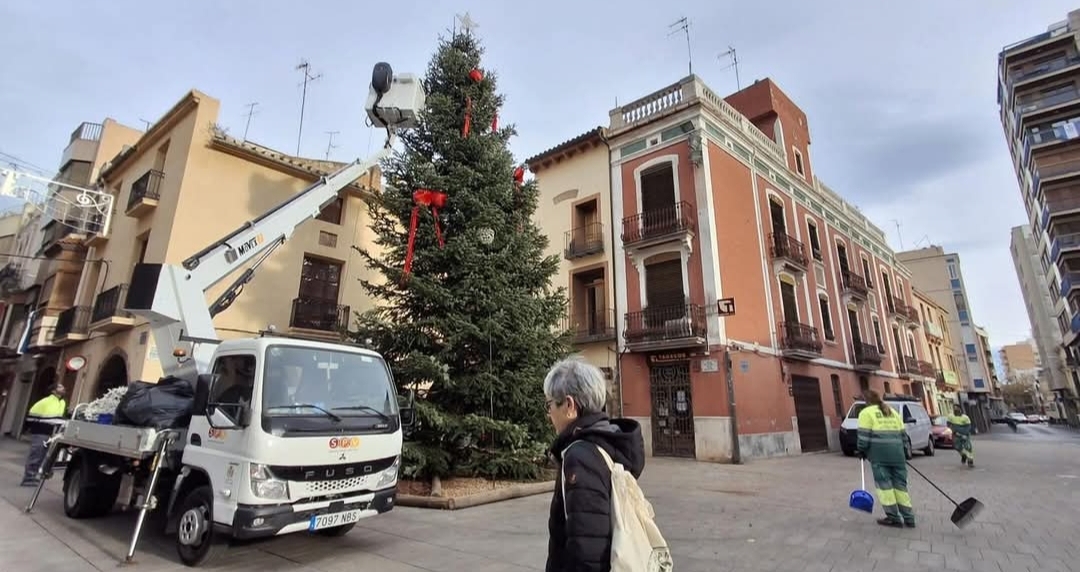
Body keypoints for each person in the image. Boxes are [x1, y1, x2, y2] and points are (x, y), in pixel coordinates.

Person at [545, 358, 645, 572]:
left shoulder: (580, 456)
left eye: (550, 403)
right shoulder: (608, 440)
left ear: (569, 406)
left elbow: (587, 549)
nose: (549, 413)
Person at [856, 390, 916, 528]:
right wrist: (904, 453)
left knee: (885, 487)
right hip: (897, 455)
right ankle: (909, 517)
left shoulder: (866, 413)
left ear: (866, 401)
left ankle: (893, 517)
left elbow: (864, 436)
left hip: (879, 455)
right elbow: (903, 435)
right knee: (901, 487)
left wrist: (861, 450)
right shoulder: (892, 412)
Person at [21, 384, 67, 486]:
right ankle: (28, 478)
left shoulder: (62, 402)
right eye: (60, 387)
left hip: (52, 434)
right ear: (53, 391)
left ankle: (34, 476)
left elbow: (57, 418)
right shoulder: (46, 401)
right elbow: (31, 416)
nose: (63, 388)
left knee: (43, 455)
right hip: (40, 432)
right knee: (36, 454)